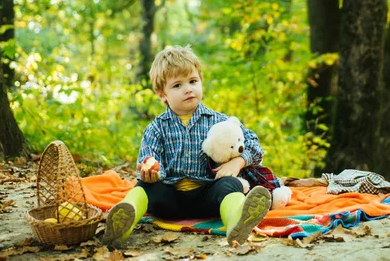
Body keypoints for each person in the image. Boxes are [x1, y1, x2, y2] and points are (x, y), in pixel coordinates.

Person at [102, 45, 271, 246]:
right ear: (161, 94)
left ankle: (237, 222)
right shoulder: (157, 128)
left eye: (192, 81)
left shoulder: (219, 121)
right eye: (177, 86)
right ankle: (122, 222)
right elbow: (148, 157)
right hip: (170, 200)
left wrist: (239, 163)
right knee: (145, 187)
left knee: (230, 184)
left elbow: (253, 144)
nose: (188, 89)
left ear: (201, 81)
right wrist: (150, 171)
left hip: (209, 197)